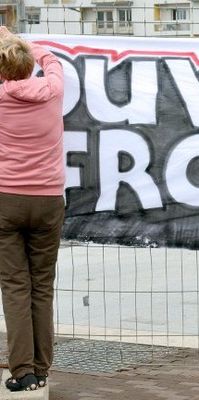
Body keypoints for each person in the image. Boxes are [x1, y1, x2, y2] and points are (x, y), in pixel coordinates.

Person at [0, 27, 65, 391]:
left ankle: (21, 370)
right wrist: (21, 41)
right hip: (49, 201)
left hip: (5, 200)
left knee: (14, 286)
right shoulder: (52, 90)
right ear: (28, 65)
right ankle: (42, 369)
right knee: (43, 286)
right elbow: (51, 60)